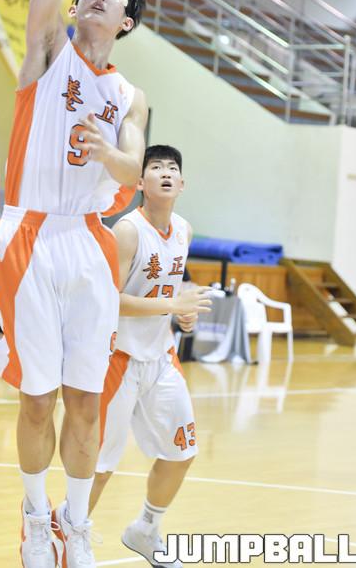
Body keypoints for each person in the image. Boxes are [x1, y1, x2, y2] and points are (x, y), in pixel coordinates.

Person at [0, 0, 148, 568]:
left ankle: (73, 526)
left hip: (89, 242)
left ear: (126, 22)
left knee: (86, 400)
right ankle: (31, 519)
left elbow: (135, 171)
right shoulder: (48, 50)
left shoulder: (130, 97)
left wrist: (108, 153)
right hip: (29, 231)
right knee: (38, 398)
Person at [88, 144, 212, 566]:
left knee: (182, 453)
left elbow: (168, 293)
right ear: (140, 182)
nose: (165, 172)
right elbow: (110, 300)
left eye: (172, 168)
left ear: (182, 183)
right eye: (155, 167)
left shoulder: (184, 230)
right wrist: (171, 305)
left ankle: (145, 528)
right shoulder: (127, 230)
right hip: (118, 359)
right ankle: (66, 539)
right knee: (99, 465)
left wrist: (183, 313)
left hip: (161, 357)